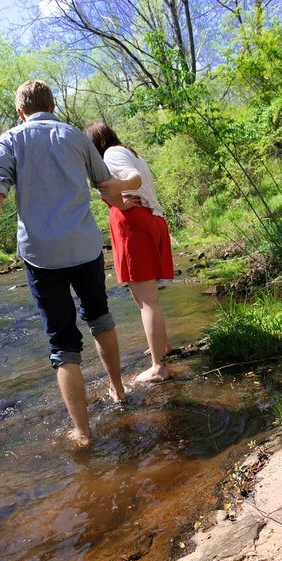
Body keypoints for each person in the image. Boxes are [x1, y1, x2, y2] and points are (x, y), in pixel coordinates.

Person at [0, 81, 139, 447]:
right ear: (53, 105)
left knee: (62, 343)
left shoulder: (10, 139)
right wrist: (132, 188)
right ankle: (118, 390)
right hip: (84, 247)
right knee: (100, 317)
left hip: (40, 255)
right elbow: (107, 188)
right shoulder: (76, 137)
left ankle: (83, 432)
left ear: (21, 112)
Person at [84, 122, 174, 383]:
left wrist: (119, 189)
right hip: (149, 219)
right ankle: (163, 346)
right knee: (146, 297)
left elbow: (131, 179)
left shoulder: (111, 154)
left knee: (146, 300)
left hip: (134, 223)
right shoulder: (129, 151)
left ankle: (159, 367)